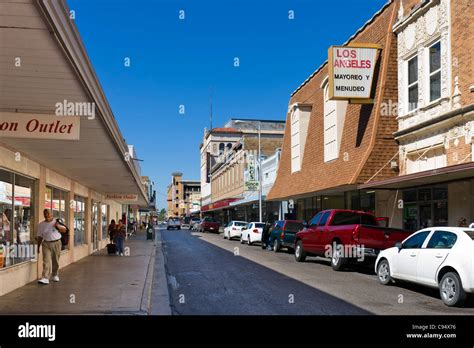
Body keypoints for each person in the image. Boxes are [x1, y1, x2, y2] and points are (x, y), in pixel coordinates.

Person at [37, 209, 67, 285]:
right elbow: (40, 236)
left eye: (48, 214)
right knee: (46, 261)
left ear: (51, 214)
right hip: (46, 243)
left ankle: (55, 275)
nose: (47, 215)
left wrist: (57, 226)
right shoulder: (41, 225)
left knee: (55, 260)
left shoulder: (56, 222)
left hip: (56, 243)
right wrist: (38, 247)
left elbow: (65, 230)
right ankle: (45, 278)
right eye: (45, 214)